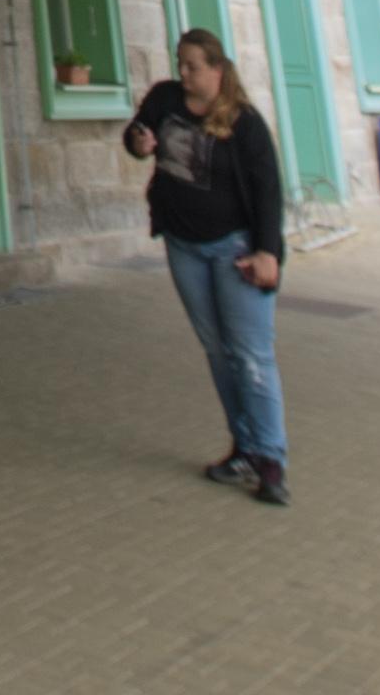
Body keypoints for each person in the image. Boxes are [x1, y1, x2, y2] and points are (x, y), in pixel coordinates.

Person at [125, 25, 289, 502]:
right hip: (184, 244)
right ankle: (244, 447)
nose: (184, 72)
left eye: (193, 66)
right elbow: (137, 132)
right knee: (217, 349)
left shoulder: (244, 122)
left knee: (252, 353)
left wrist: (267, 253)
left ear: (217, 70)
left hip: (235, 249)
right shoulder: (165, 99)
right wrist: (138, 143)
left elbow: (268, 192)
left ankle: (271, 458)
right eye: (180, 63)